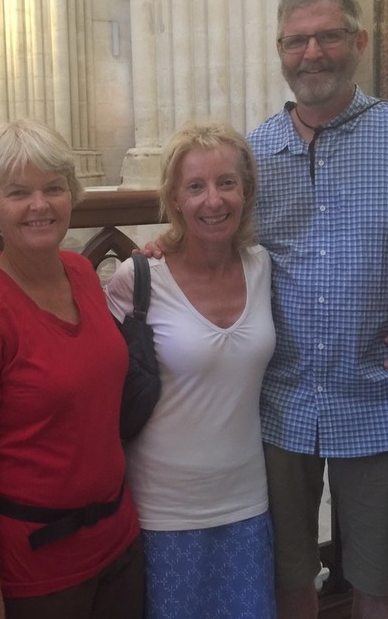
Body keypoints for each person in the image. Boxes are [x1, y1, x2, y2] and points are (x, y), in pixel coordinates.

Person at [248, 0, 388, 619]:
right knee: (286, 575)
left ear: (359, 42)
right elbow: (211, 242)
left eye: (328, 36)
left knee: (379, 575)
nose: (312, 53)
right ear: (279, 51)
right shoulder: (252, 154)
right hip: (279, 399)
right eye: (296, 41)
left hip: (380, 395)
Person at [0, 118, 143, 619]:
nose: (40, 205)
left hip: (119, 542)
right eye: (18, 193)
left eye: (54, 188)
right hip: (38, 570)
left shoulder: (82, 273)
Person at [106, 121, 277, 618]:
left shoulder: (262, 266)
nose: (213, 201)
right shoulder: (137, 279)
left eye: (226, 183)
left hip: (247, 502)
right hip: (163, 509)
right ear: (174, 198)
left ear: (246, 191)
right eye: (195, 187)